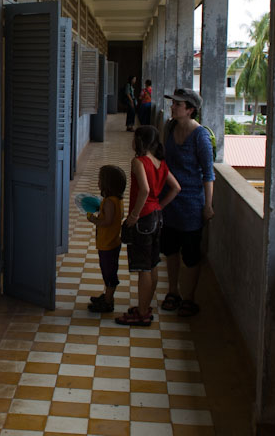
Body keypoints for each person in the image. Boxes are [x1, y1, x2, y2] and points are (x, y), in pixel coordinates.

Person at [116, 126, 180, 326]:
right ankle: (145, 306)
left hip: (143, 219)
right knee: (152, 264)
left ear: (140, 141)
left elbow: (143, 189)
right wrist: (159, 206)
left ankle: (142, 313)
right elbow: (176, 188)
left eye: (134, 138)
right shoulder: (161, 163)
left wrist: (134, 215)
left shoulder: (139, 162)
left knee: (143, 268)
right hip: (157, 216)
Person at [160, 88, 215, 317]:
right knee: (170, 250)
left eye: (177, 105)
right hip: (170, 200)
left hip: (192, 203)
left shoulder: (200, 136)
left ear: (190, 110)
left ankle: (189, 298)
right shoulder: (170, 127)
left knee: (191, 254)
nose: (173, 107)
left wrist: (208, 205)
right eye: (173, 103)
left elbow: (208, 173)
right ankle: (173, 292)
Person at [86, 165, 128, 313]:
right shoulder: (117, 200)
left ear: (107, 184)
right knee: (108, 271)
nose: (98, 182)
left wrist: (94, 220)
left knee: (109, 274)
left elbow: (107, 221)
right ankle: (107, 297)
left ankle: (108, 302)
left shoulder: (109, 201)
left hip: (108, 244)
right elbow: (118, 217)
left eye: (100, 180)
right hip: (113, 242)